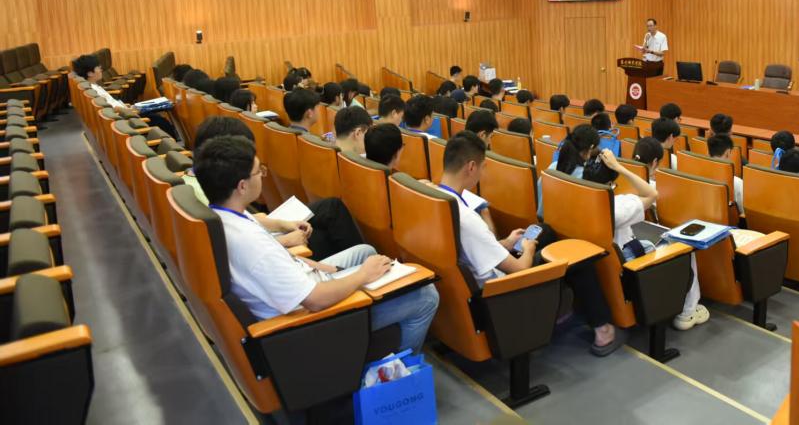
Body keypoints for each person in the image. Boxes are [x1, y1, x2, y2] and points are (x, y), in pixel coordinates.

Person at [194, 135, 438, 352]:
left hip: (310, 282)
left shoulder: (224, 216)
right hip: (312, 322)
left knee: (365, 251)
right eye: (259, 171)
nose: (263, 175)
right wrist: (362, 275)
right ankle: (394, 370)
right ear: (242, 186)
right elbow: (315, 300)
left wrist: (325, 268)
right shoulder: (252, 245)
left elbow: (284, 262)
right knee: (426, 296)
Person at [440, 132, 624, 356]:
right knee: (578, 258)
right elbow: (520, 269)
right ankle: (603, 331)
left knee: (545, 231)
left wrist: (506, 243)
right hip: (501, 292)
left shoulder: (439, 200)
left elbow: (473, 249)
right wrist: (527, 249)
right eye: (482, 167)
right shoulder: (469, 220)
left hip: (484, 275)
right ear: (471, 167)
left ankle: (563, 305)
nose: (482, 173)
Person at [184, 116, 364, 258]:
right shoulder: (210, 193)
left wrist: (280, 224)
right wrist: (285, 240)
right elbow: (238, 250)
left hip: (264, 234)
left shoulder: (198, 180)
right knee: (343, 239)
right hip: (271, 248)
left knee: (330, 208)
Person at [585, 149, 708, 331]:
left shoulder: (581, 202)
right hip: (633, 272)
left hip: (608, 274)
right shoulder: (619, 208)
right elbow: (652, 194)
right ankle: (688, 312)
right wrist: (619, 167)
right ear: (610, 184)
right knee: (685, 245)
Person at [72, 53, 178, 137]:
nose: (101, 70)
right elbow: (112, 109)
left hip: (125, 111)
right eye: (98, 68)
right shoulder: (92, 90)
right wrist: (130, 110)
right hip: (125, 117)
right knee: (160, 121)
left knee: (157, 116)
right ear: (90, 73)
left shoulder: (94, 86)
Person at [707, 133, 744, 215]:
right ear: (728, 153)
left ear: (708, 153)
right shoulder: (737, 183)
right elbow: (743, 213)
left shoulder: (697, 175)